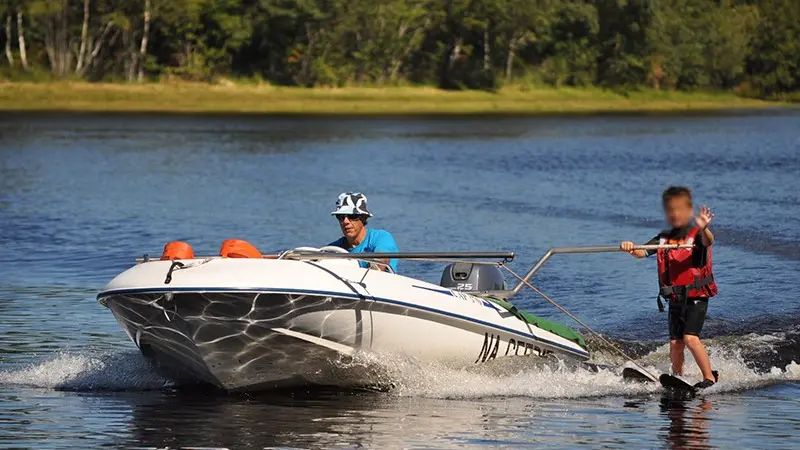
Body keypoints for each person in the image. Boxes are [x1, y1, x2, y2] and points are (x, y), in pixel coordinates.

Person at [620, 186, 719, 389]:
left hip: (696, 296)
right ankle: (678, 378)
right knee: (675, 344)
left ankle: (709, 378)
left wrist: (703, 227)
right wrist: (630, 247)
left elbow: (709, 241)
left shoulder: (698, 235)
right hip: (675, 298)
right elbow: (641, 252)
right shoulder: (664, 238)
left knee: (690, 338)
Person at [328, 192, 399, 272]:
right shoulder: (332, 248)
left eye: (352, 216)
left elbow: (381, 260)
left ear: (364, 218)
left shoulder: (382, 237)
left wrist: (375, 266)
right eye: (341, 216)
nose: (345, 221)